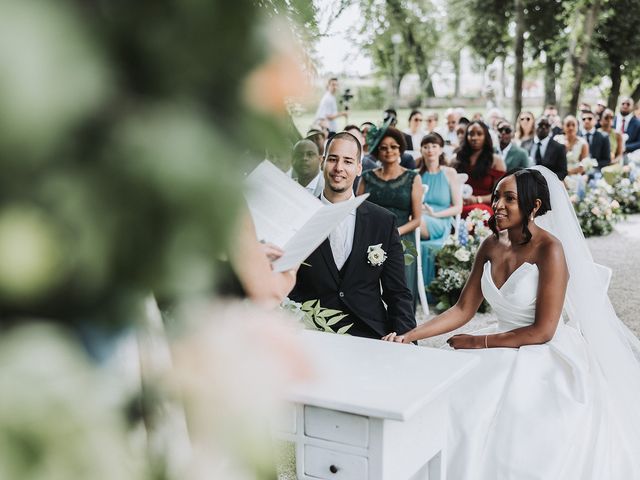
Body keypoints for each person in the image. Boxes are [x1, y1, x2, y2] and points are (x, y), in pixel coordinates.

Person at [383, 167, 640, 479]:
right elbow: (463, 308)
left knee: (511, 415)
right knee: (452, 398)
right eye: (496, 197)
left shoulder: (550, 249)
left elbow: (543, 330)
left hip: (542, 350)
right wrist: (410, 336)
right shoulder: (491, 244)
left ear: (534, 206)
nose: (497, 205)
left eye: (510, 199)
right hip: (500, 338)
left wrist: (477, 342)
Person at [289, 132, 416, 339]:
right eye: (332, 159)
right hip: (311, 333)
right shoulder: (300, 217)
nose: (339, 168)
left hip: (369, 331)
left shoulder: (383, 221)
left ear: (359, 168)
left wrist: (406, 338)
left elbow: (398, 292)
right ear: (323, 163)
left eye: (348, 161)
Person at [357, 127, 423, 311]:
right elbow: (356, 211)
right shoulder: (367, 177)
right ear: (378, 150)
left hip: (402, 236)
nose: (389, 151)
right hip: (371, 235)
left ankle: (403, 321)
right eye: (384, 147)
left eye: (394, 146)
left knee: (400, 283)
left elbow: (417, 219)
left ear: (400, 149)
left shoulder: (412, 177)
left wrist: (394, 233)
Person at [417, 132, 462, 286]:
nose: (430, 150)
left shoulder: (449, 173)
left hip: (441, 221)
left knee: (414, 223)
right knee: (413, 221)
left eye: (434, 146)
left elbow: (458, 207)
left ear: (441, 149)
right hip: (420, 216)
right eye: (426, 147)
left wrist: (435, 214)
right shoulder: (416, 175)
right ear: (421, 150)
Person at [454, 120, 506, 217]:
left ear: (486, 137)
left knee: (478, 213)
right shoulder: (457, 159)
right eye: (471, 134)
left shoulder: (496, 161)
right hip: (458, 203)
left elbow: (500, 194)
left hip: (483, 205)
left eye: (479, 134)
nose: (474, 138)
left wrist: (477, 199)